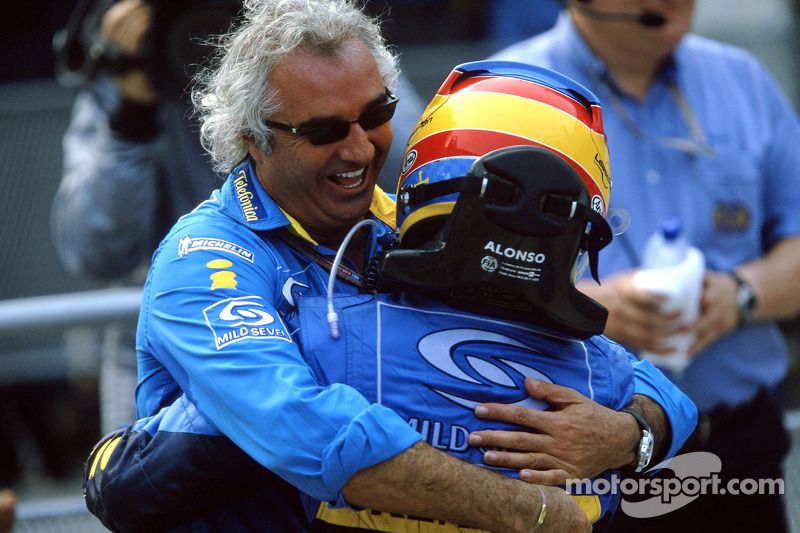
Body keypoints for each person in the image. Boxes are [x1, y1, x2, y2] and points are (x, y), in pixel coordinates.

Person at [81, 56, 696, 531]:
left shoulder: (327, 339)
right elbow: (291, 421)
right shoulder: (598, 378)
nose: (358, 146)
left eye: (376, 115)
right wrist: (542, 504)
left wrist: (628, 438)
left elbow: (123, 482)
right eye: (323, 129)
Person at [490, 1, 800, 531]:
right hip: (582, 461)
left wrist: (741, 296)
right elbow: (464, 279)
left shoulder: (742, 78)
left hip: (737, 447)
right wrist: (584, 306)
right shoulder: (501, 94)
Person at [50, 0, 425, 434]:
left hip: (343, 323)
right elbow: (94, 250)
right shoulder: (132, 63)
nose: (205, 33)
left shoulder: (314, 40)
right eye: (322, 129)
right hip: (177, 343)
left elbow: (413, 167)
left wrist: (306, 41)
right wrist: (131, 104)